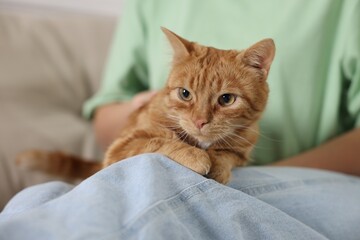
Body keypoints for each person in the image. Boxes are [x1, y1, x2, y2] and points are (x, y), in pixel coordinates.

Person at [0, 0, 359, 239]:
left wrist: (227, 163)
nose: (201, 119)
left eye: (226, 100)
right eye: (186, 95)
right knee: (42, 195)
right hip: (146, 158)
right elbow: (111, 124)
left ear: (261, 70)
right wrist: (151, 118)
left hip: (311, 178)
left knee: (155, 177)